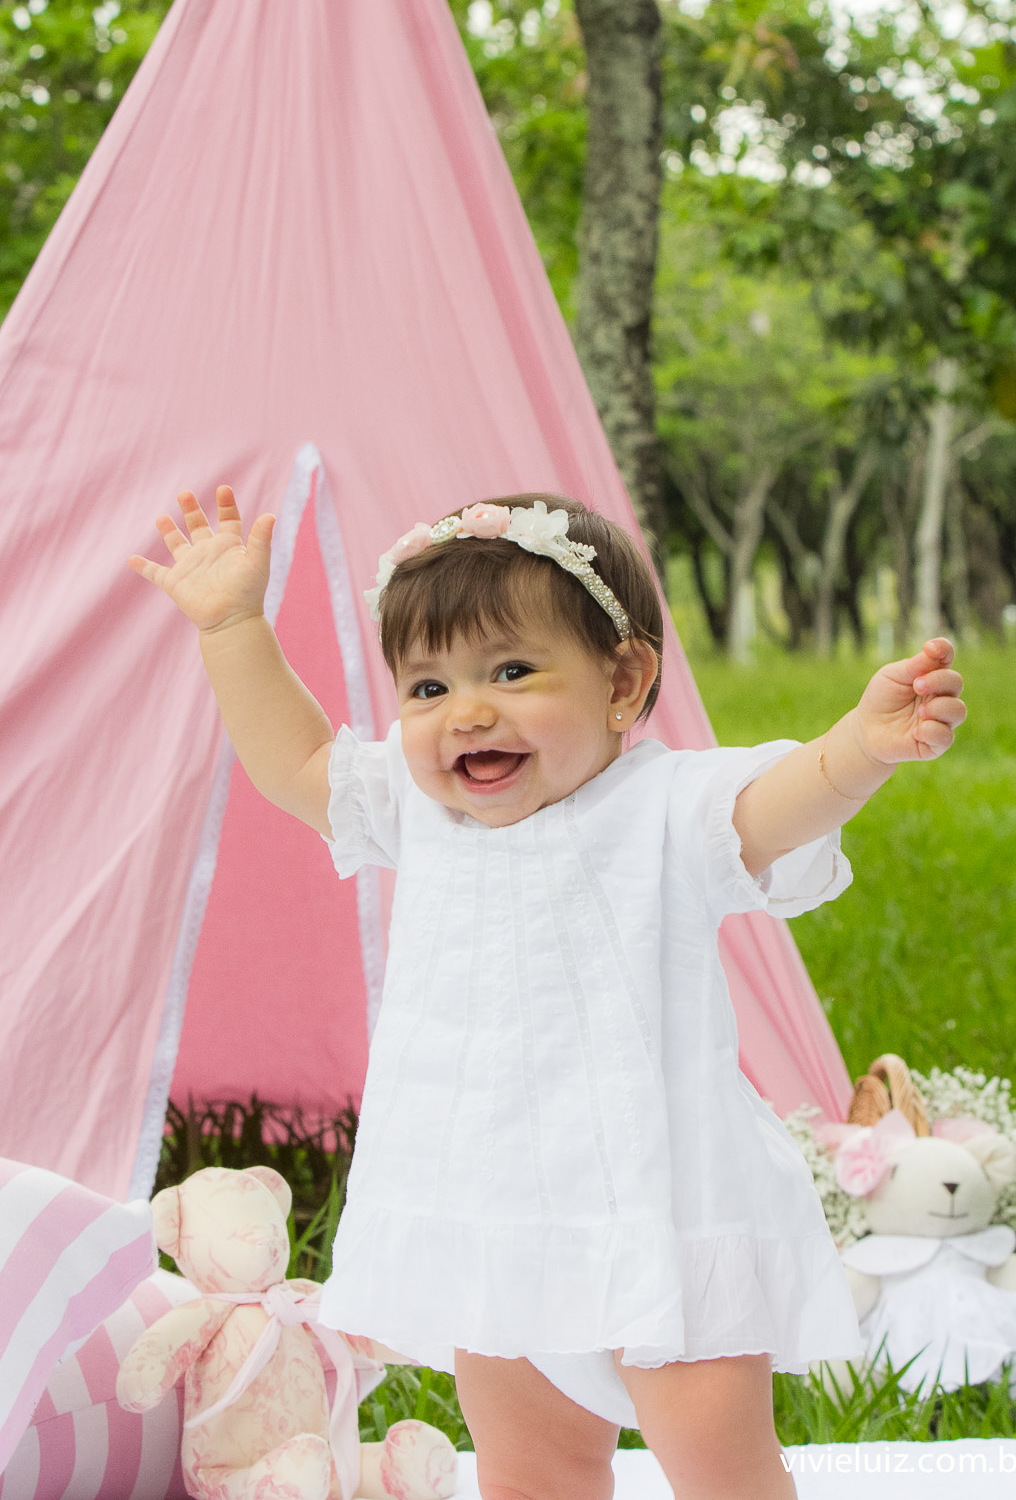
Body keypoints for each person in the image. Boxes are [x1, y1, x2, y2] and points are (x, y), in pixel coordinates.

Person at [130, 484, 966, 1500]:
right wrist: (232, 627)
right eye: (427, 687)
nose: (466, 711)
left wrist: (861, 748)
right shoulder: (418, 809)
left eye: (512, 671)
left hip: (664, 1221)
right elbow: (298, 759)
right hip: (495, 1223)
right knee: (532, 1473)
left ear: (623, 680)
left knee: (723, 1472)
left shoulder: (665, 808)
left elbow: (781, 803)